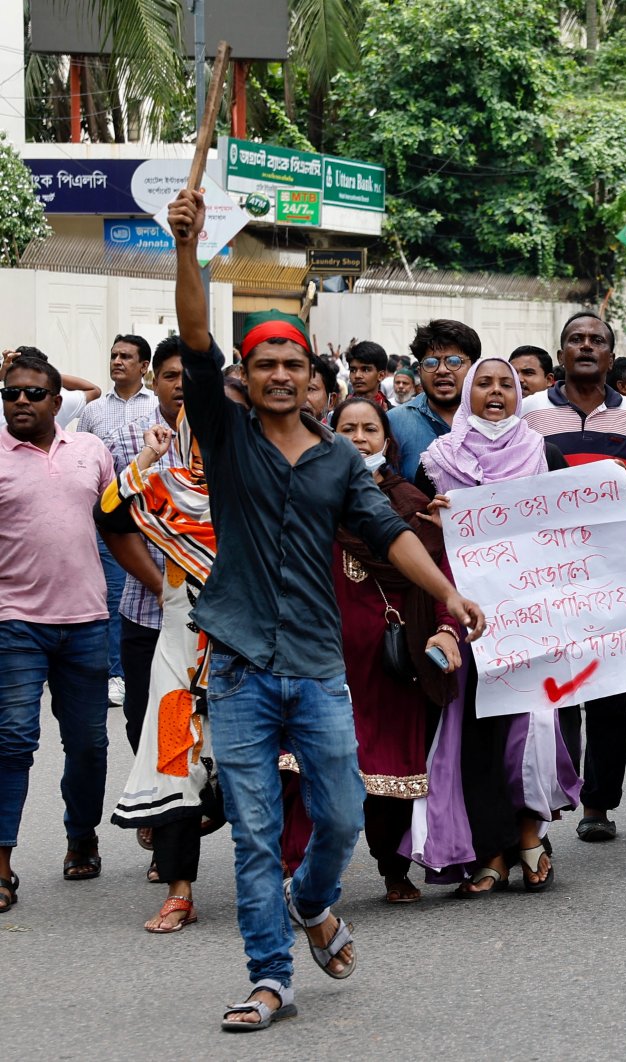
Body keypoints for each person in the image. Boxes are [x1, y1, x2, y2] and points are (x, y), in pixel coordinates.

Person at [168, 189, 485, 1032]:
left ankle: (316, 906)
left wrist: (447, 592)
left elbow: (388, 529)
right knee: (256, 836)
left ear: (313, 377)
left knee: (342, 814)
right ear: (246, 375)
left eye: (292, 366)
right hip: (235, 663)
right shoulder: (225, 432)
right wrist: (188, 248)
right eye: (263, 364)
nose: (278, 376)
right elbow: (195, 340)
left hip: (316, 667)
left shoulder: (342, 459)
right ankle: (269, 980)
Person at [413, 359, 576, 895]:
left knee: (529, 730)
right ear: (467, 392)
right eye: (484, 383)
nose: (497, 393)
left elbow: (566, 531)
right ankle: (493, 851)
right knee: (475, 733)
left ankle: (530, 835)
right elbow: (418, 543)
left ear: (522, 391)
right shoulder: (437, 461)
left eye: (507, 383)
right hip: (463, 616)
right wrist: (436, 523)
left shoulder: (543, 453)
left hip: (529, 614)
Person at [327, 397, 463, 898]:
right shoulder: (311, 496)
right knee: (312, 765)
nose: (359, 438)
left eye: (369, 429)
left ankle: (394, 869)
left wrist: (445, 626)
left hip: (392, 655)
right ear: (329, 435)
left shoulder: (412, 502)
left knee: (392, 766)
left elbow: (437, 573)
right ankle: (304, 870)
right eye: (348, 428)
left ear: (387, 441)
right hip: (327, 653)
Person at [523, 311, 626, 843]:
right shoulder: (529, 414)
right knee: (550, 692)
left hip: (612, 574)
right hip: (546, 575)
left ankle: (598, 803)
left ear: (610, 353)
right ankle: (548, 801)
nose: (585, 346)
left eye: (597, 340)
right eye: (575, 339)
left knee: (609, 691)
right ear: (560, 352)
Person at [0, 352, 120, 914]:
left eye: (31, 393)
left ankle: (82, 835)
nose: (19, 401)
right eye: (10, 393)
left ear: (57, 401)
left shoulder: (91, 452)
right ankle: (2, 863)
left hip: (87, 623)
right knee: (12, 742)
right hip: (14, 624)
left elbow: (120, 530)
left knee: (90, 745)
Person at [99, 406, 226, 932]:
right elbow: (108, 513)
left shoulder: (257, 487)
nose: (203, 443)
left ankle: (287, 883)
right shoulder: (165, 486)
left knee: (264, 768)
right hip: (178, 654)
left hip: (249, 654)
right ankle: (179, 893)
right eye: (195, 430)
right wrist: (150, 454)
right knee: (176, 765)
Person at [113, 339, 187, 759]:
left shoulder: (225, 440)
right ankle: (155, 812)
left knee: (194, 716)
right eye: (171, 377)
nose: (180, 386)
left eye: (189, 377)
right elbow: (112, 518)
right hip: (145, 608)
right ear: (153, 381)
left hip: (209, 614)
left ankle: (185, 811)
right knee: (143, 716)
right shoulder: (128, 439)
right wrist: (160, 587)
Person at [77, 333, 156, 710]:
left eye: (126, 357)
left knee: (144, 593)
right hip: (109, 517)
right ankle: (116, 673)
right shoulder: (93, 412)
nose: (117, 362)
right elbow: (82, 463)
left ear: (144, 366)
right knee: (114, 594)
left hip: (155, 519)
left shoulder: (157, 407)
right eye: (113, 356)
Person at [389, 319, 481, 479]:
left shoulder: (494, 420)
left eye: (454, 361)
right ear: (420, 370)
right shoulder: (395, 422)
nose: (442, 370)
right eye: (431, 363)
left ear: (474, 368)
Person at [345, 341, 389, 408]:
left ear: (381, 375)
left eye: (365, 370)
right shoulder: (337, 415)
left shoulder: (393, 415)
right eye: (353, 370)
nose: (357, 375)